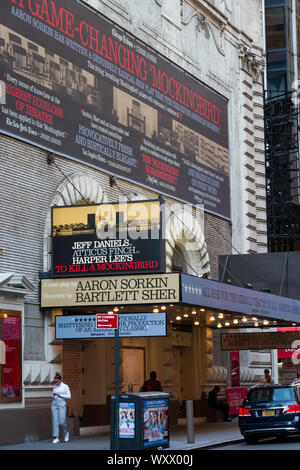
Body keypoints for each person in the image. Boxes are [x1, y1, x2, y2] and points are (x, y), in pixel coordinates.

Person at [51, 373, 71, 444]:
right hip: (54, 403)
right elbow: (52, 395)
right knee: (55, 420)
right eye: (55, 381)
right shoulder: (55, 386)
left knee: (62, 421)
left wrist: (60, 395)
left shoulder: (65, 386)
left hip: (61, 403)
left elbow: (69, 396)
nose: (55, 382)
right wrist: (53, 395)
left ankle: (66, 433)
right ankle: (56, 437)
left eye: (57, 381)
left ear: (60, 380)